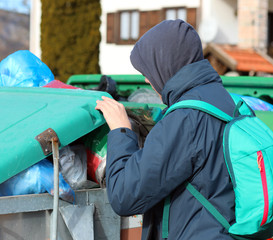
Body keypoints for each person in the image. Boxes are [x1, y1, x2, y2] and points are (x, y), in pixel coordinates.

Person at [95, 20, 236, 240]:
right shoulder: (226, 102)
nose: (146, 78)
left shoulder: (185, 120)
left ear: (165, 65)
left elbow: (124, 196)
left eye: (148, 69)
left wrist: (121, 130)